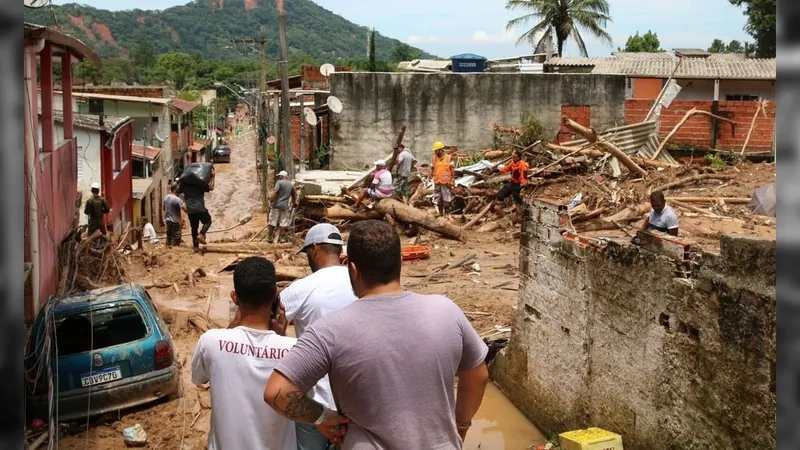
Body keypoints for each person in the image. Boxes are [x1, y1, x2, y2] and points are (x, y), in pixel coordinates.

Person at [265, 220, 489, 448]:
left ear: (353, 269)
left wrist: (322, 416)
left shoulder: (330, 330)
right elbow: (478, 376)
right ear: (400, 262)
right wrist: (461, 425)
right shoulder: (446, 311)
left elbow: (277, 392)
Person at [191, 256, 332, 450]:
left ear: (234, 297)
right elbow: (303, 400)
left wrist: (231, 327)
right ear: (275, 295)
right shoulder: (294, 349)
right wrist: (280, 338)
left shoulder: (211, 341)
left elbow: (198, 378)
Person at [274, 223, 357, 449]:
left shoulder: (302, 288)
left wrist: (281, 336)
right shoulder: (361, 282)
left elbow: (267, 320)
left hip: (317, 406)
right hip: (357, 401)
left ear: (314, 250)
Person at [176, 165, 215, 252]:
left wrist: (181, 180)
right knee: (208, 221)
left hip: (191, 211)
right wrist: (213, 176)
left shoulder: (184, 185)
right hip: (200, 208)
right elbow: (211, 187)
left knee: (194, 227)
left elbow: (177, 190)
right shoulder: (200, 184)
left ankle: (195, 247)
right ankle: (201, 234)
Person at [268, 170, 297, 244]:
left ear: (282, 176)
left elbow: (275, 192)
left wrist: (270, 201)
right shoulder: (290, 185)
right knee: (283, 222)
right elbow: (294, 195)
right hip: (285, 206)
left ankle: (270, 237)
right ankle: (282, 238)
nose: (279, 177)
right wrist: (294, 203)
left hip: (276, 205)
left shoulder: (279, 182)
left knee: (272, 221)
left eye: (279, 176)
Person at [431, 141, 455, 216]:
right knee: (438, 198)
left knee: (446, 198)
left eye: (436, 150)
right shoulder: (434, 158)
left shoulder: (448, 158)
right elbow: (431, 168)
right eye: (435, 150)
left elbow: (452, 169)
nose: (435, 152)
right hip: (437, 181)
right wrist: (428, 178)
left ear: (441, 150)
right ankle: (441, 213)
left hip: (446, 182)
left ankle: (447, 214)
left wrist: (453, 179)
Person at [163, 183, 187, 247]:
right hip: (175, 222)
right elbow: (186, 210)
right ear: (175, 190)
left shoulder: (166, 197)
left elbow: (163, 209)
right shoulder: (178, 199)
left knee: (168, 237)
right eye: (178, 189)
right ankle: (174, 251)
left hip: (167, 221)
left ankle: (167, 250)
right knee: (176, 239)